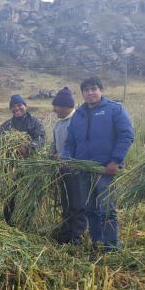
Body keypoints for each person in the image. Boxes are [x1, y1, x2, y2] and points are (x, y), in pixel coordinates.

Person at [62, 77, 134, 252]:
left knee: (107, 209)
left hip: (105, 169)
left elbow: (126, 135)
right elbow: (70, 142)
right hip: (83, 170)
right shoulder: (78, 115)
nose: (90, 93)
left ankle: (111, 246)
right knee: (89, 209)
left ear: (101, 90)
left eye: (93, 89)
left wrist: (115, 161)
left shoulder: (114, 109)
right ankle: (97, 242)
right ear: (82, 93)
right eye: (86, 90)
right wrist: (66, 158)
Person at [0, 94, 46, 225]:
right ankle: (9, 223)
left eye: (19, 105)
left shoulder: (35, 122)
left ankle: (26, 223)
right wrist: (8, 150)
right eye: (13, 106)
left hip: (30, 166)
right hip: (11, 167)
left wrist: (28, 148)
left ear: (25, 106)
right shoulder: (6, 125)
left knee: (28, 194)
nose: (17, 108)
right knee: (10, 195)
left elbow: (41, 139)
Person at [49, 87, 86, 245]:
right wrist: (52, 157)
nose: (54, 110)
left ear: (65, 106)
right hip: (62, 170)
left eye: (56, 106)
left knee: (78, 204)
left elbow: (83, 146)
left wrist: (68, 159)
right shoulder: (58, 124)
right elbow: (54, 145)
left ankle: (77, 237)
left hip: (76, 171)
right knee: (66, 204)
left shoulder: (78, 121)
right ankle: (65, 235)